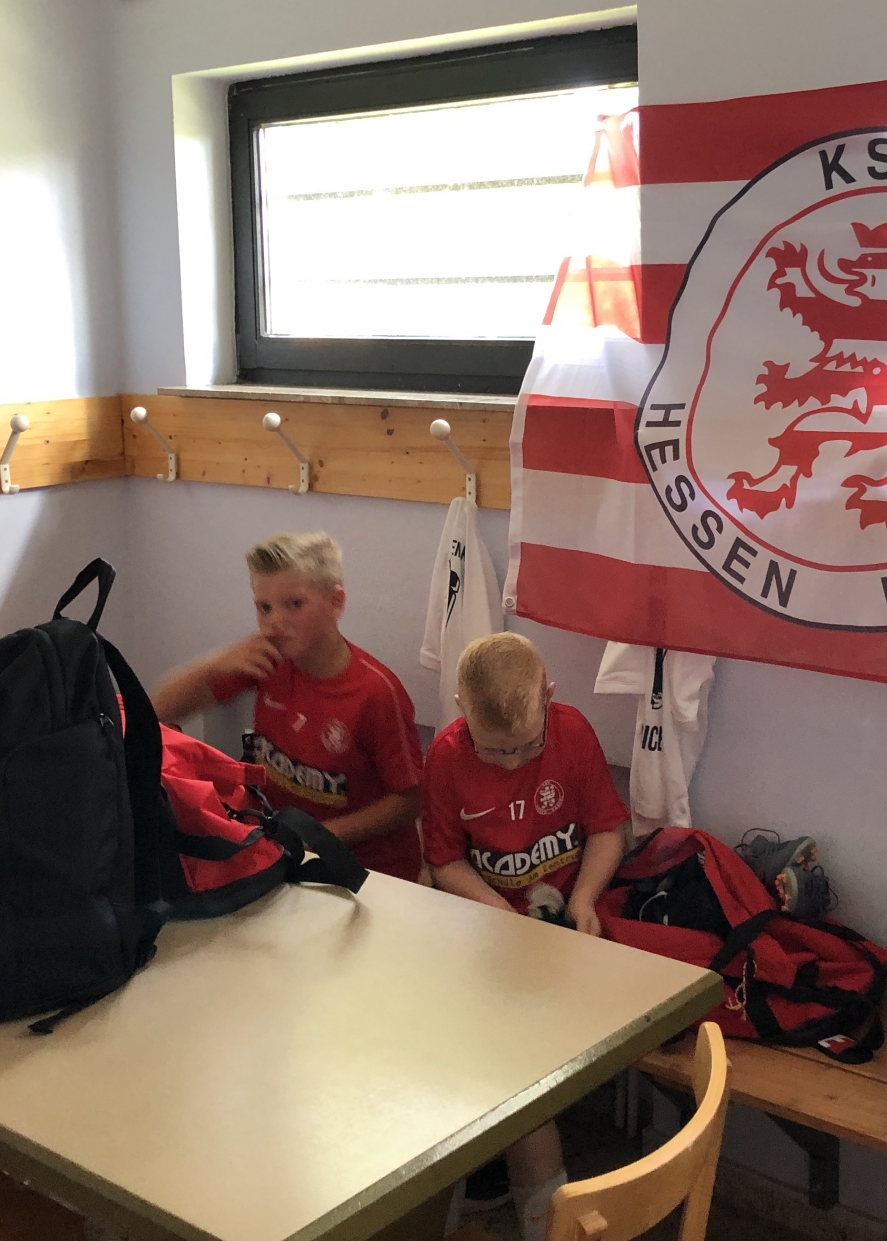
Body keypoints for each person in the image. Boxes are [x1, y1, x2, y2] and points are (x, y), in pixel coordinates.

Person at [421, 631, 629, 1241]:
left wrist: (584, 897)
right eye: (494, 751)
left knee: (517, 1058)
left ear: (549, 697)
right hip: (486, 933)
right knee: (502, 1055)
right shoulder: (445, 756)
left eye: (526, 746)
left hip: (569, 931)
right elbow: (444, 862)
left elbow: (607, 830)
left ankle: (527, 1201)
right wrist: (497, 915)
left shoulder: (573, 732)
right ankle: (530, 1203)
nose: (513, 763)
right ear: (461, 710)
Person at [150, 532, 423, 881]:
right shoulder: (268, 659)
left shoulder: (376, 692)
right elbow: (157, 710)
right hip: (281, 853)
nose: (275, 621)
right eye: (264, 607)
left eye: (294, 604)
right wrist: (217, 662)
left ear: (335, 602)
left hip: (365, 868)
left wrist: (317, 837)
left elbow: (410, 800)